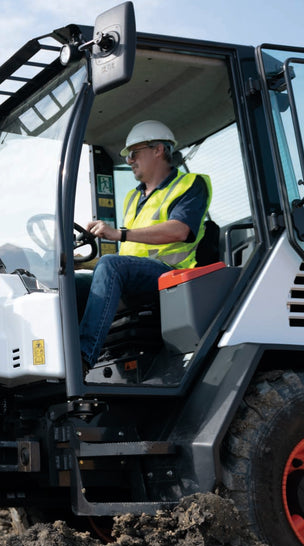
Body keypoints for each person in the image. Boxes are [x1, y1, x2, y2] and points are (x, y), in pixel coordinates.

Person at [78, 120, 211, 369]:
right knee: (72, 282)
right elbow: (128, 252)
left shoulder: (190, 185)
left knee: (110, 266)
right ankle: (60, 361)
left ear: (158, 150)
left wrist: (119, 234)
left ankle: (83, 359)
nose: (129, 160)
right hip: (134, 274)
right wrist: (78, 262)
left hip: (170, 273)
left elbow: (180, 230)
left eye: (133, 153)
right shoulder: (132, 197)